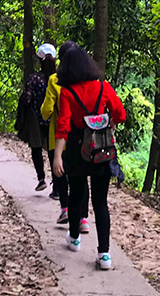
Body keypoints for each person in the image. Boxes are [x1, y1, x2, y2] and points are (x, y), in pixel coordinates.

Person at [52, 44, 126, 271]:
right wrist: (107, 126)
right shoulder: (103, 87)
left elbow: (63, 126)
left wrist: (57, 157)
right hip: (102, 150)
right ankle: (104, 255)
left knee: (76, 195)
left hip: (76, 150)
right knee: (100, 201)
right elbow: (120, 113)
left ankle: (74, 238)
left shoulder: (67, 92)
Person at [40, 41, 88, 231]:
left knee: (59, 172)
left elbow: (47, 109)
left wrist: (44, 115)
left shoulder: (55, 79)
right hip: (80, 135)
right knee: (82, 177)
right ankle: (83, 218)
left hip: (57, 134)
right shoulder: (86, 80)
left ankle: (66, 208)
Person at [15, 44, 56, 191]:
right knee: (53, 151)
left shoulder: (34, 79)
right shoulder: (59, 79)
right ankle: (57, 185)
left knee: (36, 148)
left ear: (39, 61)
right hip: (54, 120)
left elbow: (26, 98)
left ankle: (41, 178)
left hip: (37, 119)